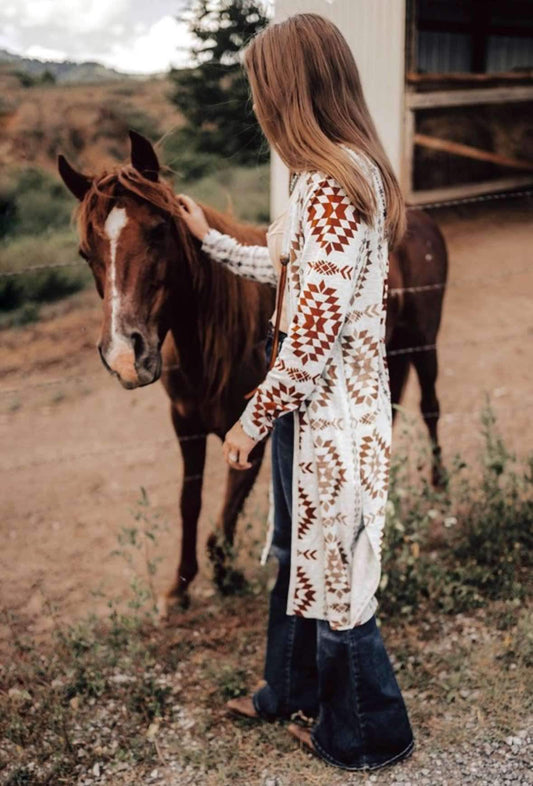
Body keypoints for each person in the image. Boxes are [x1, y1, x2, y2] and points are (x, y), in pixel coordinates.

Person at [176, 11, 415, 773]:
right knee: (298, 557)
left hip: (334, 423)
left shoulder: (337, 186)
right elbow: (282, 265)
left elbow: (308, 341)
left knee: (341, 583)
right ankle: (291, 691)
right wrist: (207, 237)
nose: (258, 107)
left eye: (263, 92)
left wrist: (249, 420)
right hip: (310, 421)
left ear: (292, 93)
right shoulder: (324, 179)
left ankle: (370, 737)